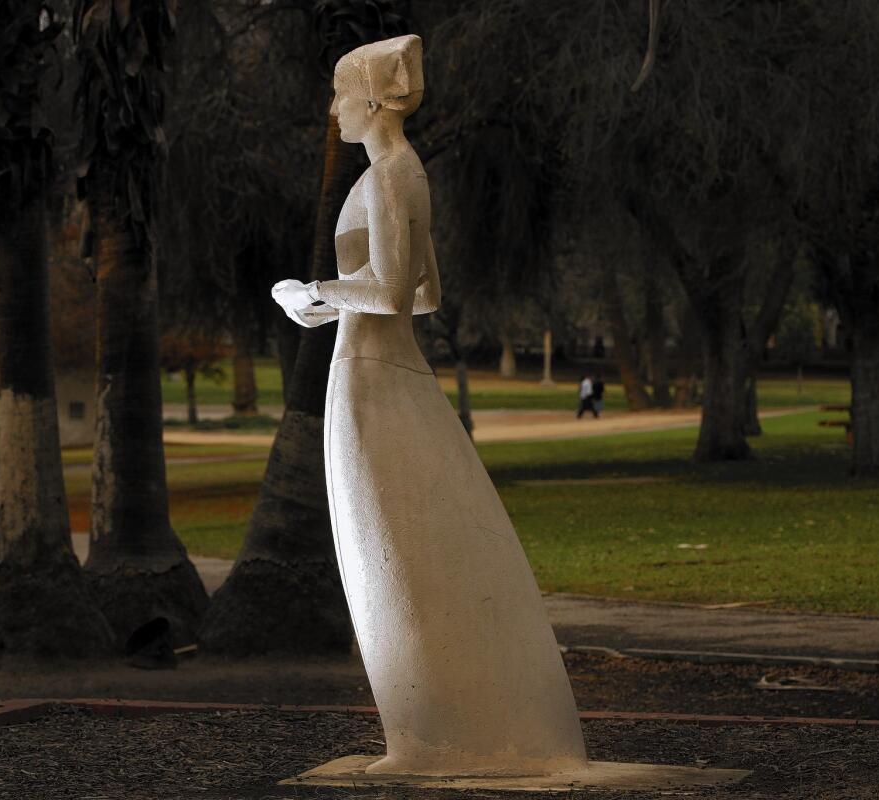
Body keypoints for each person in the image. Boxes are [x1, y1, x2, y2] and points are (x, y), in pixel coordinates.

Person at [271, 35, 586, 779]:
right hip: (373, 362)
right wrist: (328, 308)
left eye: (340, 93)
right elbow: (426, 292)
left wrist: (314, 295)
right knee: (388, 544)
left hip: (371, 370)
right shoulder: (400, 173)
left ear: (373, 98)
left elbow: (389, 292)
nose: (332, 108)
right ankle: (424, 728)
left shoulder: (389, 177)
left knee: (386, 547)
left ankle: (429, 733)